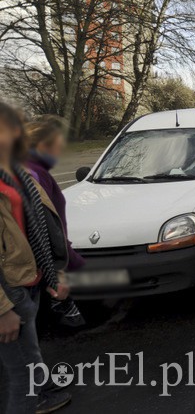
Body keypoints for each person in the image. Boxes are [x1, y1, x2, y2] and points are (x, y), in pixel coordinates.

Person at [0, 102, 71, 414]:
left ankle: (41, 386)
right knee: (18, 375)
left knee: (30, 349)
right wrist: (2, 311)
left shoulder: (18, 172)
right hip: (9, 289)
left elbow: (43, 226)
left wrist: (55, 273)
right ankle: (31, 402)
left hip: (30, 279)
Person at [25, 116, 86, 327]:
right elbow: (44, 230)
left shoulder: (32, 170)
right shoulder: (33, 175)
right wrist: (63, 268)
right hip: (34, 275)